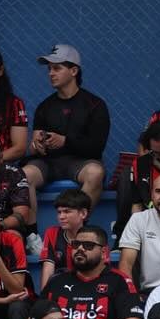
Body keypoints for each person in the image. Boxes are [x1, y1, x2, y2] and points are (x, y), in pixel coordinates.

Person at [22, 42, 110, 204]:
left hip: (80, 162)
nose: (51, 73)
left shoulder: (95, 105)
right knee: (24, 176)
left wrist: (65, 141)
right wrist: (37, 145)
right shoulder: (45, 106)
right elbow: (34, 145)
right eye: (49, 69)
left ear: (74, 71)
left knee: (96, 173)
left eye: (57, 68)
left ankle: (80, 226)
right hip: (48, 162)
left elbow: (96, 147)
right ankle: (31, 229)